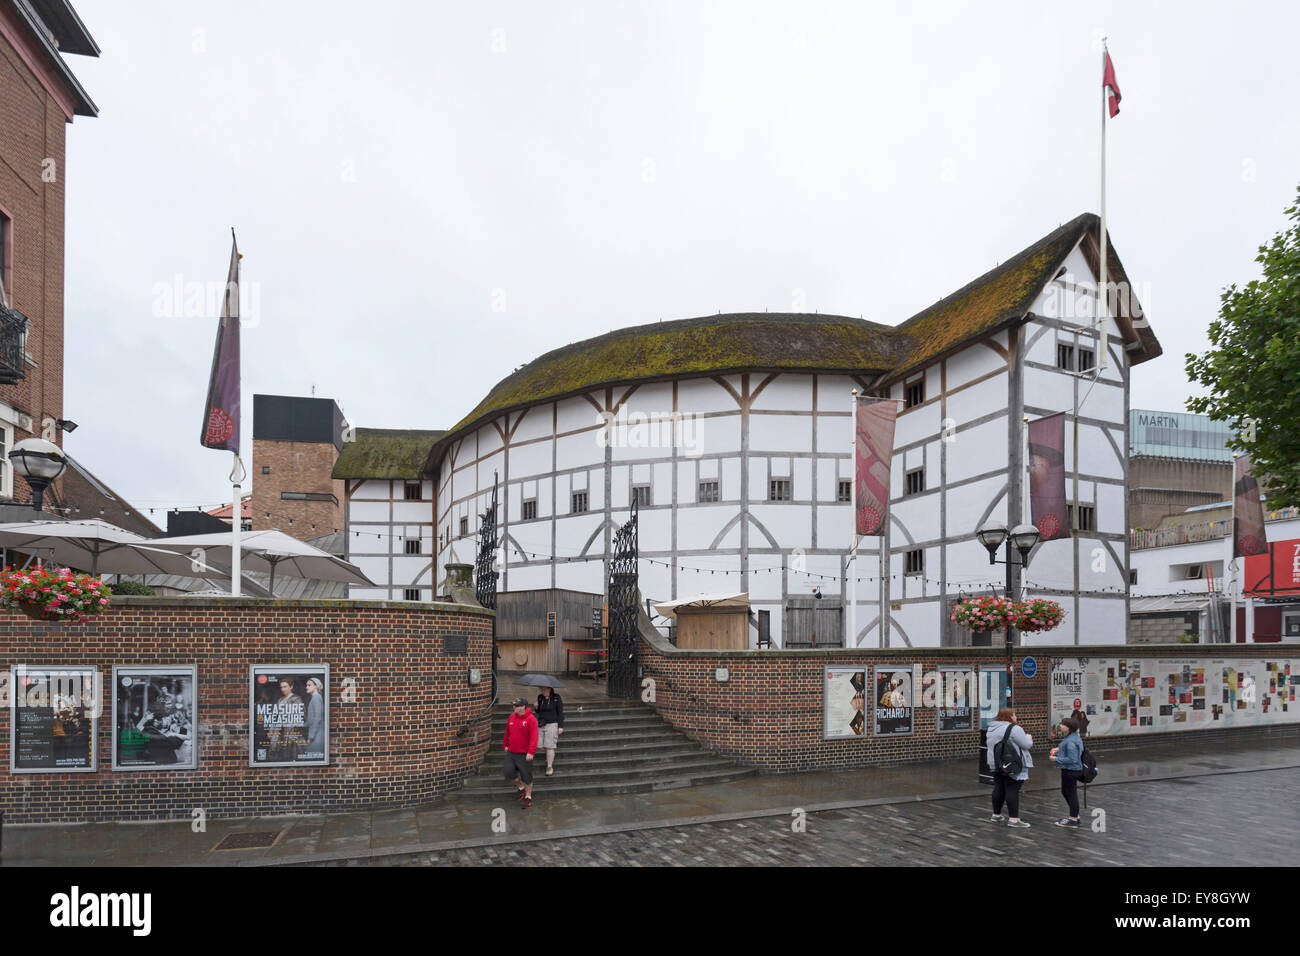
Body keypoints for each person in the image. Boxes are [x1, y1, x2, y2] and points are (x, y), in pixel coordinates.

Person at [986, 707, 1033, 828]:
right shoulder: (1014, 728)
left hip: (995, 763)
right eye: (1014, 715)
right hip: (1011, 764)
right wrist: (1028, 737)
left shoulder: (991, 728)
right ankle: (1013, 819)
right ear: (1010, 716)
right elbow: (1026, 745)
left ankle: (996, 815)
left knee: (999, 788)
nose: (1016, 717)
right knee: (1012, 789)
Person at [502, 696, 539, 808]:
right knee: (508, 773)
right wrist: (505, 744)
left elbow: (534, 737)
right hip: (512, 752)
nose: (514, 707)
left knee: (526, 777)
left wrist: (531, 752)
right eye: (514, 705)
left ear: (523, 707)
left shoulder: (531, 719)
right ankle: (521, 788)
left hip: (524, 754)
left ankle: (528, 797)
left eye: (517, 705)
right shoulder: (511, 717)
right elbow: (507, 732)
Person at [1049, 716, 1084, 828]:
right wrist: (1058, 749)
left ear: (1068, 727)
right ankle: (1075, 816)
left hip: (1071, 770)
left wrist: (1055, 759)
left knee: (1070, 793)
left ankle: (1073, 819)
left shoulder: (1070, 741)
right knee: (1066, 792)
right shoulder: (1073, 737)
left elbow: (1072, 759)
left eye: (1063, 724)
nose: (1060, 726)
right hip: (1071, 770)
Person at [535, 685, 565, 776]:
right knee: (539, 745)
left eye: (544, 689)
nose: (542, 691)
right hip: (541, 724)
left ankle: (549, 766)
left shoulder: (556, 697)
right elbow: (539, 712)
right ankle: (549, 756)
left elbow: (560, 712)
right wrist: (536, 707)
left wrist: (560, 726)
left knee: (550, 746)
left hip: (552, 724)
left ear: (550, 689)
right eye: (541, 689)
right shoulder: (540, 698)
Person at [305, 678, 325, 758]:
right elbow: (311, 720)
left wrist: (311, 735)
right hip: (315, 733)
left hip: (316, 734)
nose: (307, 687)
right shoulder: (315, 698)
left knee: (313, 756)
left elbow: (318, 718)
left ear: (316, 686)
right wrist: (302, 725)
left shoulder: (316, 698)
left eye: (309, 685)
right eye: (306, 685)